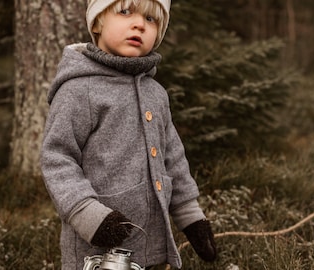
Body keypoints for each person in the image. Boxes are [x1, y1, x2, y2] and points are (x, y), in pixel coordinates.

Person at [40, 0, 217, 269]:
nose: (139, 24)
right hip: (96, 251)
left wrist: (190, 216)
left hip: (152, 247)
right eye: (125, 12)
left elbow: (172, 157)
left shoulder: (155, 93)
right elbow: (57, 158)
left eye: (151, 19)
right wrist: (88, 215)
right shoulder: (78, 90)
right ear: (97, 22)